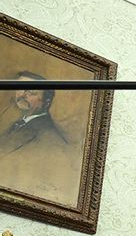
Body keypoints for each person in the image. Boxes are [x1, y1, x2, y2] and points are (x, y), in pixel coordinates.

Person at [0, 71, 80, 202]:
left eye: (31, 91)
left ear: (46, 101)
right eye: (20, 88)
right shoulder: (16, 124)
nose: (22, 94)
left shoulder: (50, 137)